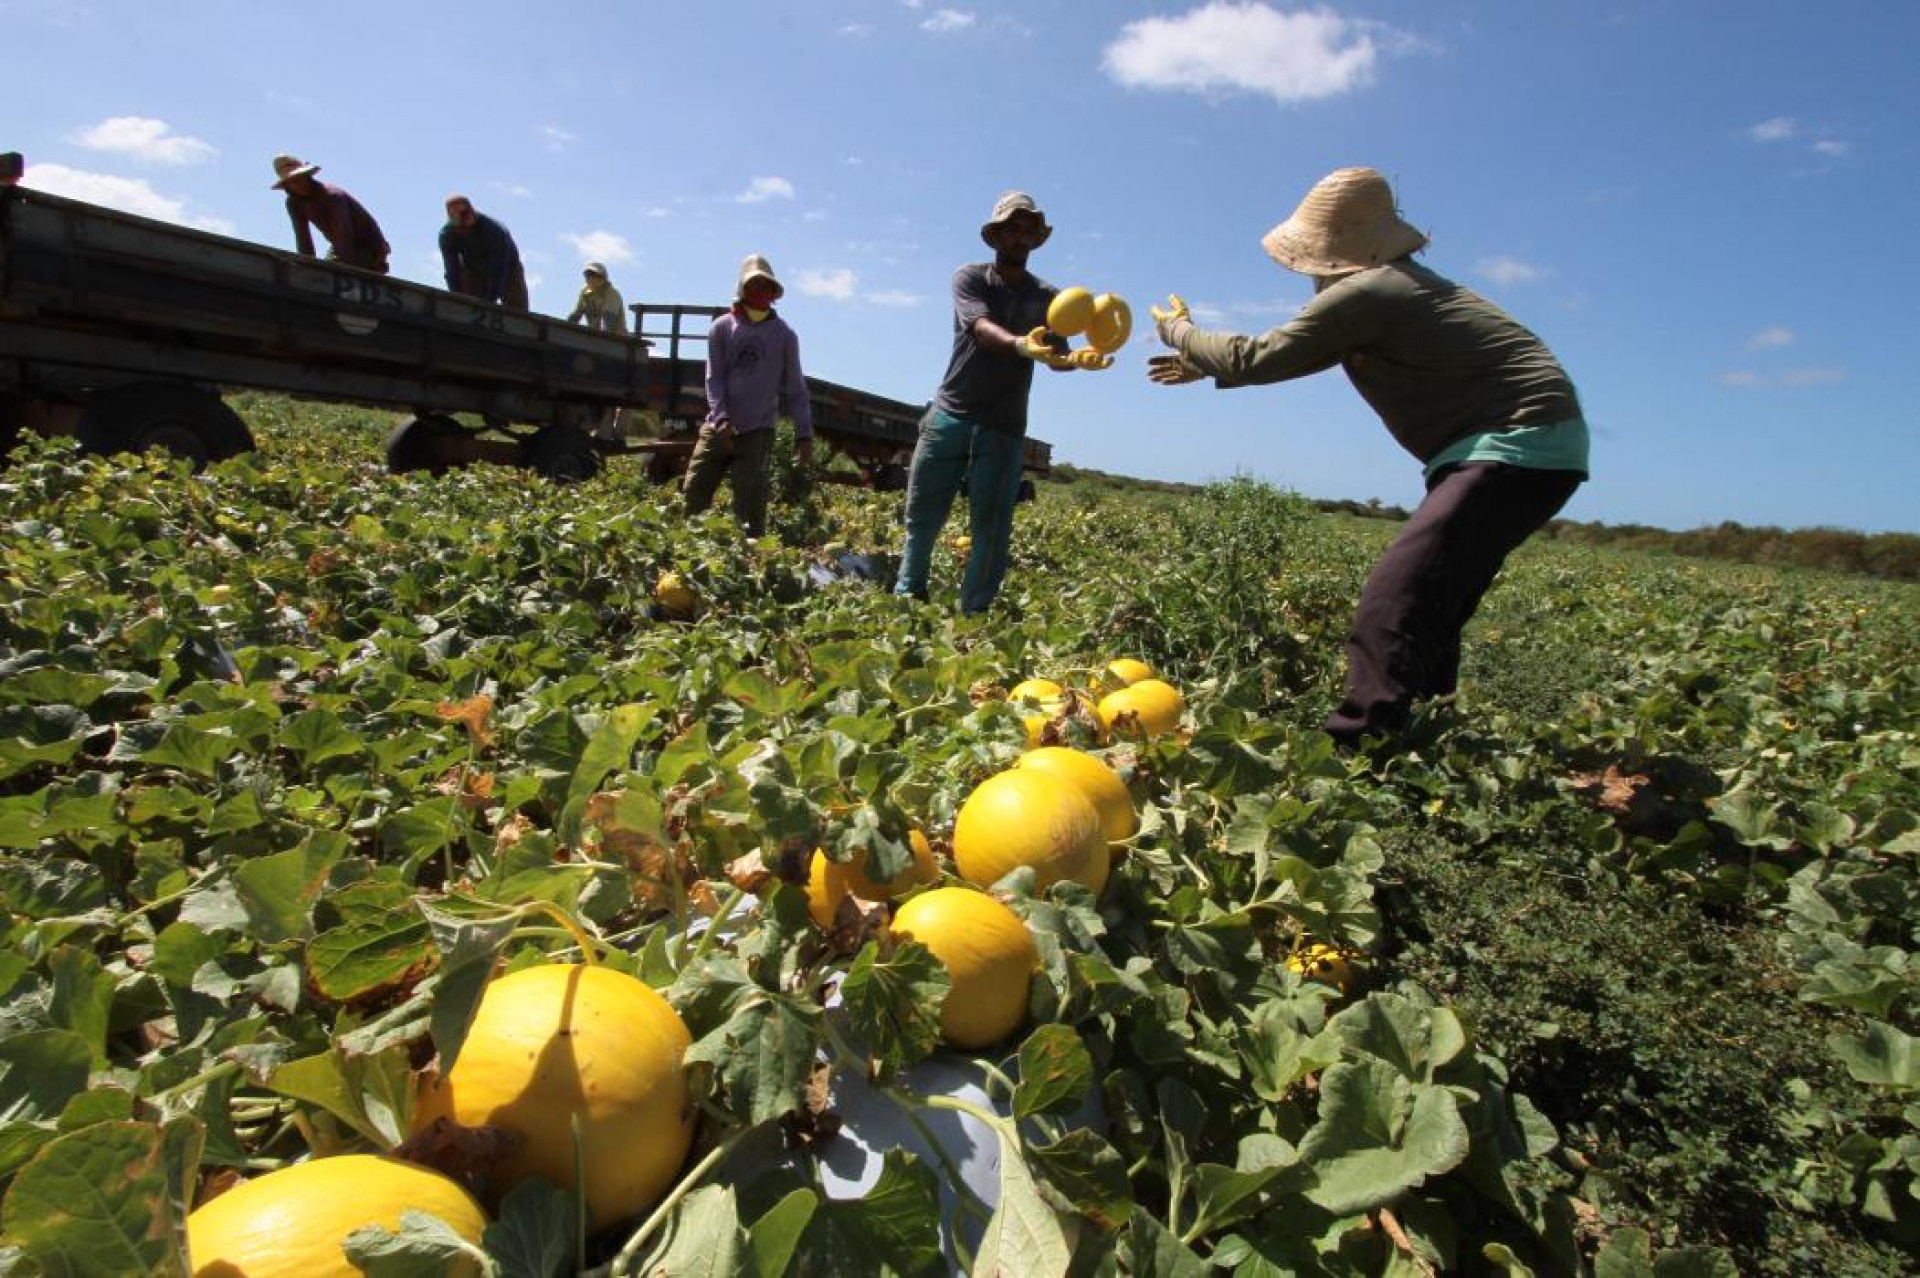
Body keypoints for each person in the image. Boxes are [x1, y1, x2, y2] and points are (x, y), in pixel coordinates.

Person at [1146, 166, 1590, 749]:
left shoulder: (1374, 289)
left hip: (1514, 441)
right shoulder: (1392, 289)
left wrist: (1180, 333)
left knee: (1396, 595)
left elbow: (1255, 358)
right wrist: (1209, 366)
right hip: (1536, 447)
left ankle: (1356, 750)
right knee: (1434, 595)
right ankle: (1427, 735)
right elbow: (1291, 356)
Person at [893, 190, 1097, 613]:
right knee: (923, 515)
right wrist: (1023, 345)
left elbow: (1058, 356)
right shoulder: (971, 278)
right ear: (996, 235)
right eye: (1012, 228)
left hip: (1004, 426)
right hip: (951, 413)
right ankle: (908, 599)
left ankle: (974, 614)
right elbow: (981, 329)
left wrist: (1079, 359)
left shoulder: (1049, 299)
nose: (1019, 236)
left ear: (1036, 239)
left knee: (992, 527)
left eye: (1027, 230)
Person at [681, 255, 814, 537]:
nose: (759, 291)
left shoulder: (784, 336)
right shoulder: (722, 327)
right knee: (694, 491)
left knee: (748, 508)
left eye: (765, 286)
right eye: (753, 285)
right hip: (718, 426)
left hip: (758, 431)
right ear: (742, 289)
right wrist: (721, 419)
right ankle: (688, 551)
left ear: (773, 293)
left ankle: (749, 563)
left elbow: (796, 390)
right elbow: (713, 378)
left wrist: (804, 435)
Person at [270, 154, 390, 273]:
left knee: (333, 272)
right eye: (291, 182)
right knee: (320, 274)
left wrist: (344, 270)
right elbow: (303, 239)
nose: (297, 184)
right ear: (286, 186)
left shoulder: (333, 196)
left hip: (370, 246)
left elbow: (344, 233)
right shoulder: (294, 203)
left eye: (299, 178)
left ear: (307, 176)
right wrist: (306, 268)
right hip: (339, 246)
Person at [439, 195, 528, 309]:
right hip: (474, 269)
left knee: (517, 312)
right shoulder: (447, 235)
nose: (465, 230)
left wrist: (489, 302)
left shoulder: (495, 231)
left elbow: (499, 271)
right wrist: (457, 299)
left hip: (508, 269)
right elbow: (452, 272)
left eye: (467, 225)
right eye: (461, 227)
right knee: (466, 303)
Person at [567, 262, 628, 334]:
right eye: (587, 275)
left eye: (592, 275)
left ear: (603, 278)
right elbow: (575, 316)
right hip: (595, 336)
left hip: (616, 339)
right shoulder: (585, 293)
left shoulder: (612, 294)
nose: (588, 278)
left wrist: (599, 339)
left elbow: (607, 322)